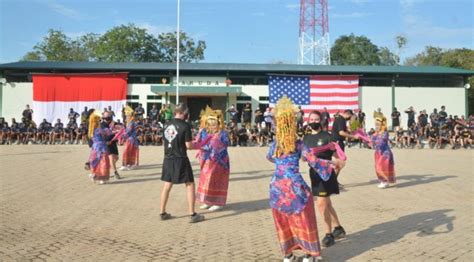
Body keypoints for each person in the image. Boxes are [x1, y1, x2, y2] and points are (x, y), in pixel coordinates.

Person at [266, 96, 336, 262]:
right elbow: (312, 160)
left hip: (277, 187)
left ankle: (288, 255)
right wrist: (331, 164)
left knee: (283, 220)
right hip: (296, 187)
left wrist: (281, 165)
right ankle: (308, 254)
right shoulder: (298, 144)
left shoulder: (275, 144)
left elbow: (269, 157)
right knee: (304, 219)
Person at [303, 110, 346, 248]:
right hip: (314, 175)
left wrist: (334, 163)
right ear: (308, 121)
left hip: (326, 175)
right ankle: (338, 228)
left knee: (321, 204)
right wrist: (305, 157)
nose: (314, 122)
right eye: (311, 119)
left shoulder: (328, 137)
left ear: (321, 120)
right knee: (327, 204)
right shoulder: (306, 138)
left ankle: (328, 235)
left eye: (316, 119)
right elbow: (304, 157)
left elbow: (340, 159)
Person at [160, 103, 205, 223]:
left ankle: (162, 212)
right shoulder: (185, 126)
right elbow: (189, 146)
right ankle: (192, 214)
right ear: (184, 113)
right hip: (180, 158)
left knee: (167, 185)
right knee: (190, 184)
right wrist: (201, 144)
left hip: (168, 158)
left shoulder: (166, 125)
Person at [194, 106, 230, 211]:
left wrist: (214, 146)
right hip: (207, 160)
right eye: (210, 124)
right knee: (206, 179)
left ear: (219, 123)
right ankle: (207, 201)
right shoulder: (205, 132)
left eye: (214, 124)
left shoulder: (223, 133)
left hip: (220, 161)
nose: (212, 126)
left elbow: (225, 144)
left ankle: (218, 202)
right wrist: (199, 135)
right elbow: (198, 143)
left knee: (216, 180)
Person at [369, 116, 396, 189]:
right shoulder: (375, 134)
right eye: (376, 125)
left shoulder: (385, 133)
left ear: (382, 125)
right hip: (378, 153)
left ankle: (385, 181)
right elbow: (371, 141)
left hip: (385, 153)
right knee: (377, 167)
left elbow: (382, 142)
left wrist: (375, 140)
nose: (376, 126)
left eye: (378, 125)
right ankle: (383, 181)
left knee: (382, 167)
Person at [87, 110, 111, 185]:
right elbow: (107, 133)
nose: (100, 121)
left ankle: (94, 174)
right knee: (103, 162)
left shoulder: (91, 130)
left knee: (96, 161)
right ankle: (100, 178)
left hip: (95, 147)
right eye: (98, 120)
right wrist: (111, 129)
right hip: (101, 147)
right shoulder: (97, 129)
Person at [119, 106, 140, 170]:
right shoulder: (130, 122)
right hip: (131, 139)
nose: (126, 117)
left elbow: (128, 131)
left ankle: (125, 165)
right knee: (130, 152)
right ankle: (130, 164)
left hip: (130, 140)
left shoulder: (131, 123)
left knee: (126, 151)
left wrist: (121, 136)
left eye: (127, 115)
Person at [103, 111, 121, 179]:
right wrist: (114, 130)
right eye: (105, 117)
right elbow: (107, 132)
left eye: (108, 117)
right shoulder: (102, 124)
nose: (106, 119)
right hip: (107, 142)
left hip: (113, 142)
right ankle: (115, 172)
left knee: (116, 158)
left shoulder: (113, 123)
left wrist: (119, 128)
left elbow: (120, 127)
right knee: (111, 158)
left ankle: (105, 168)